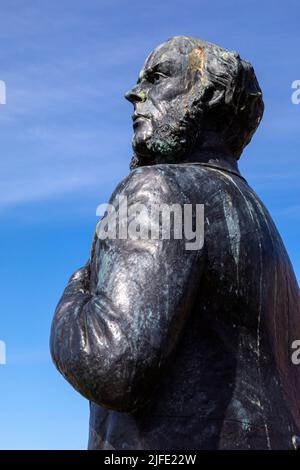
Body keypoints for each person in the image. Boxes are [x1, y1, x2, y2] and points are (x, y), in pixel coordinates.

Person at [50, 36, 300, 449]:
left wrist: (74, 293)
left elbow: (110, 361)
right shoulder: (261, 224)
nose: (134, 94)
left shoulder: (158, 188)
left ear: (210, 98)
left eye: (157, 77)